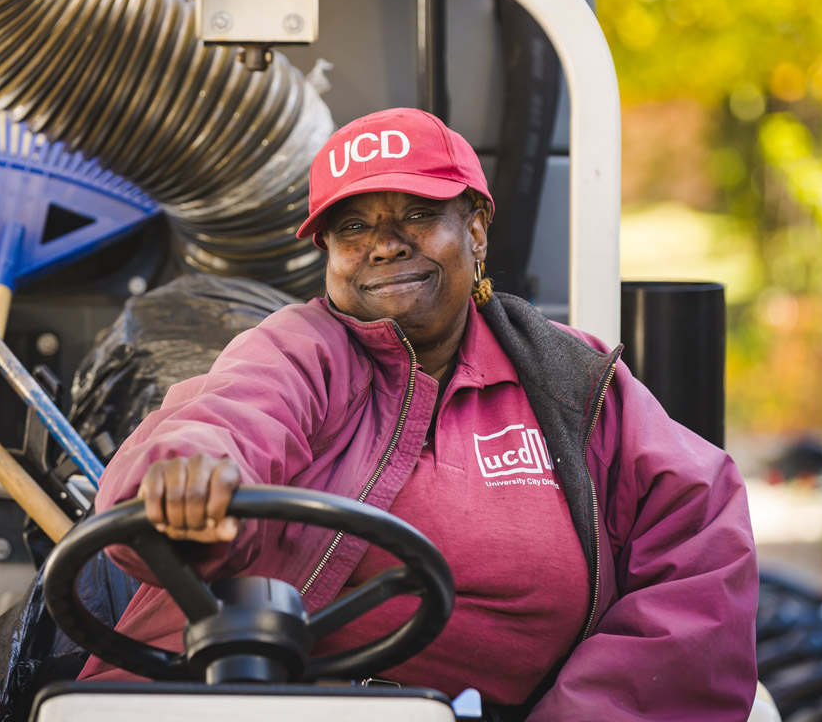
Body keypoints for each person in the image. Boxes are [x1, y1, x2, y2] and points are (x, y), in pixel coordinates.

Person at [78, 108, 759, 720]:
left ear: (477, 229)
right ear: (328, 256)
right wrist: (190, 473)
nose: (384, 244)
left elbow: (700, 547)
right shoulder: (300, 349)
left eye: (416, 214)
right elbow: (230, 415)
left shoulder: (571, 382)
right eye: (353, 227)